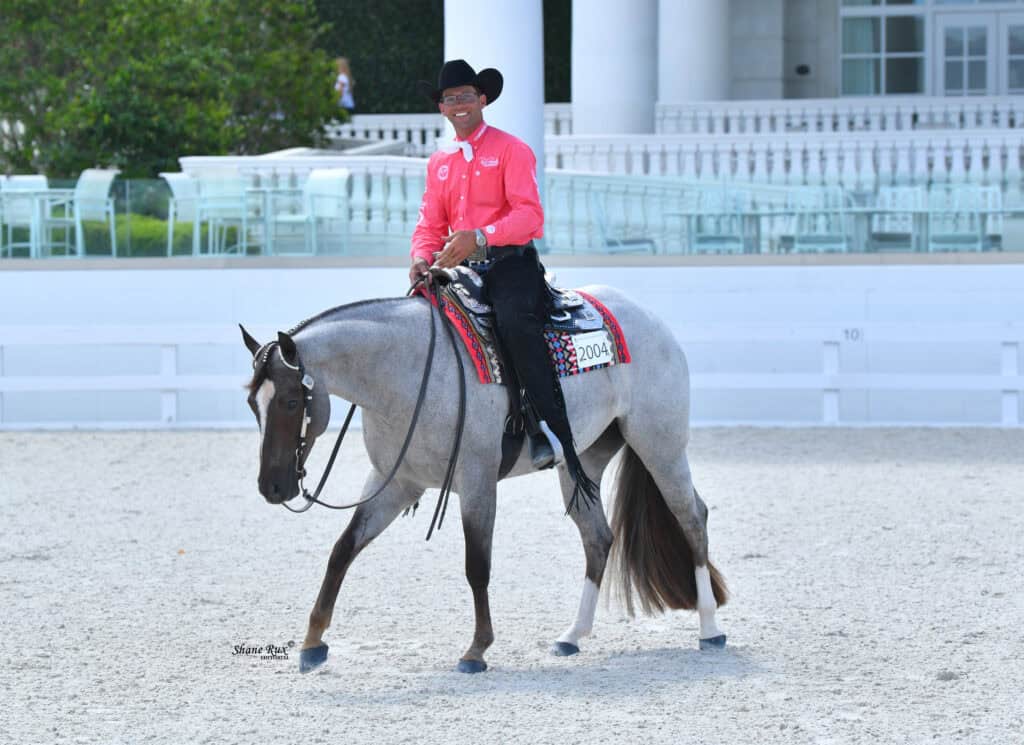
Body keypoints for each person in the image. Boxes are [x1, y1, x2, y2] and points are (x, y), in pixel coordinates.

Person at [409, 59, 598, 506]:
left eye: (466, 96)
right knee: (414, 324)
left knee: (514, 323)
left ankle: (547, 428)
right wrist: (419, 257)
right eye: (449, 98)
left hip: (510, 265)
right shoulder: (438, 163)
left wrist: (481, 236)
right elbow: (428, 224)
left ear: (483, 100)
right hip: (457, 269)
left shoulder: (512, 149)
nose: (458, 105)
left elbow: (530, 216)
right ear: (441, 107)